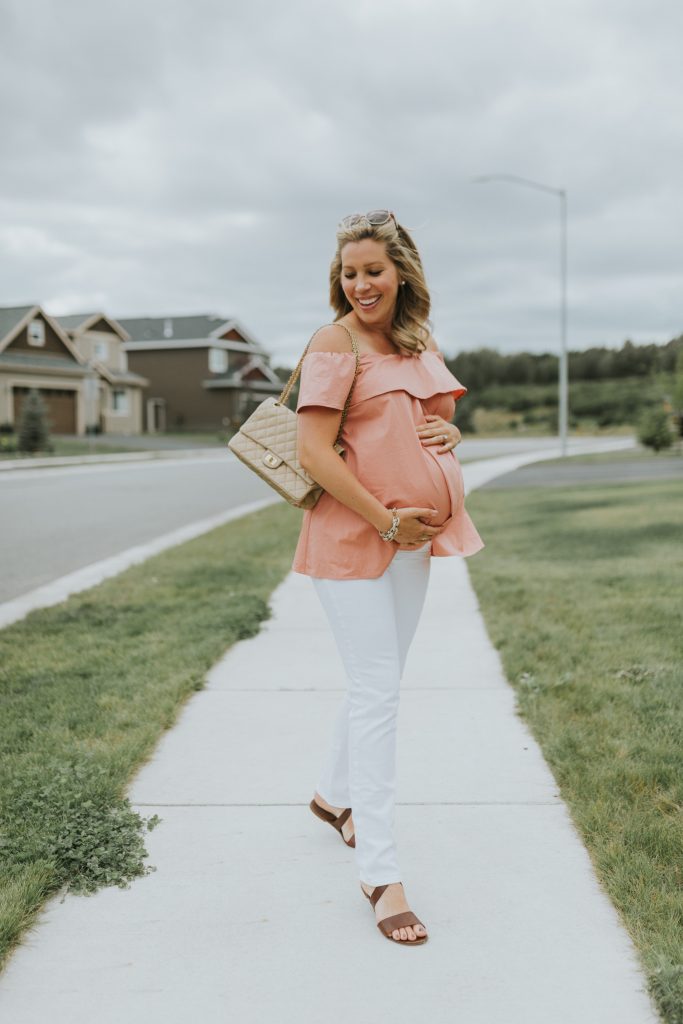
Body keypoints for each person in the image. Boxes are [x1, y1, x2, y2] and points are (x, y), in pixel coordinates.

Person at [292, 209, 484, 946]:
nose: (360, 283)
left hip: (411, 540)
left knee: (380, 679)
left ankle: (330, 798)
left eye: (372, 269)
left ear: (401, 270)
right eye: (349, 272)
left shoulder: (414, 341)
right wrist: (384, 520)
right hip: (353, 540)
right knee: (377, 692)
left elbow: (430, 420)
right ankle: (379, 871)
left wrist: (452, 433)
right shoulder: (333, 342)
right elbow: (315, 451)